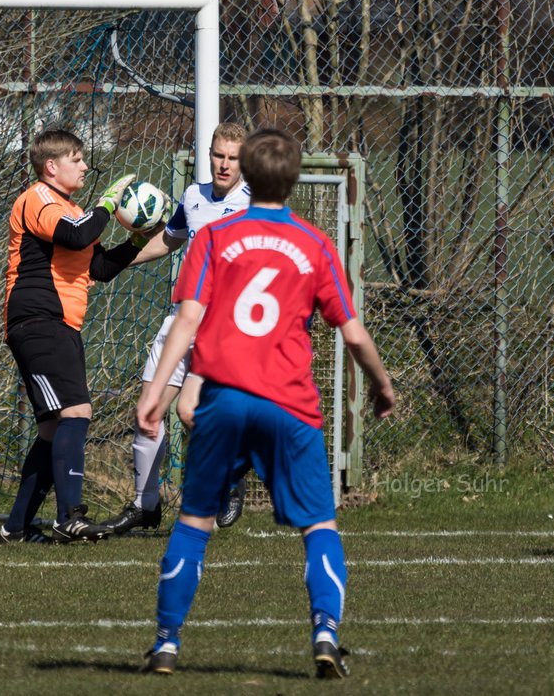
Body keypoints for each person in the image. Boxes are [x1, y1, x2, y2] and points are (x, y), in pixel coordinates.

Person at [135, 129, 395, 678]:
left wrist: (157, 391)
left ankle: (165, 644)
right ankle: (326, 633)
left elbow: (187, 318)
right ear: (296, 177)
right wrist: (380, 382)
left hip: (224, 400)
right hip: (289, 404)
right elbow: (351, 331)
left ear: (246, 176)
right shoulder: (315, 243)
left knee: (194, 522)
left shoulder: (216, 235)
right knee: (319, 526)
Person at [0, 129, 157, 543]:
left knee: (53, 429)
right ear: (52, 166)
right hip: (38, 319)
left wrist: (138, 240)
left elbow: (99, 268)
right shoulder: (39, 198)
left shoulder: (72, 208)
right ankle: (69, 515)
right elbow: (77, 235)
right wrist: (108, 203)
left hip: (59, 324)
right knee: (77, 412)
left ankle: (16, 527)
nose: (85, 165)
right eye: (77, 158)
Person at [100, 122, 251, 536]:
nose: (224, 164)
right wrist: (114, 264)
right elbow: (170, 239)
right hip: (181, 318)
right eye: (218, 155)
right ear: (209, 155)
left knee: (190, 412)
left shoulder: (255, 206)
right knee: (147, 412)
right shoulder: (193, 196)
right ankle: (144, 506)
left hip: (222, 327)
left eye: (233, 158)